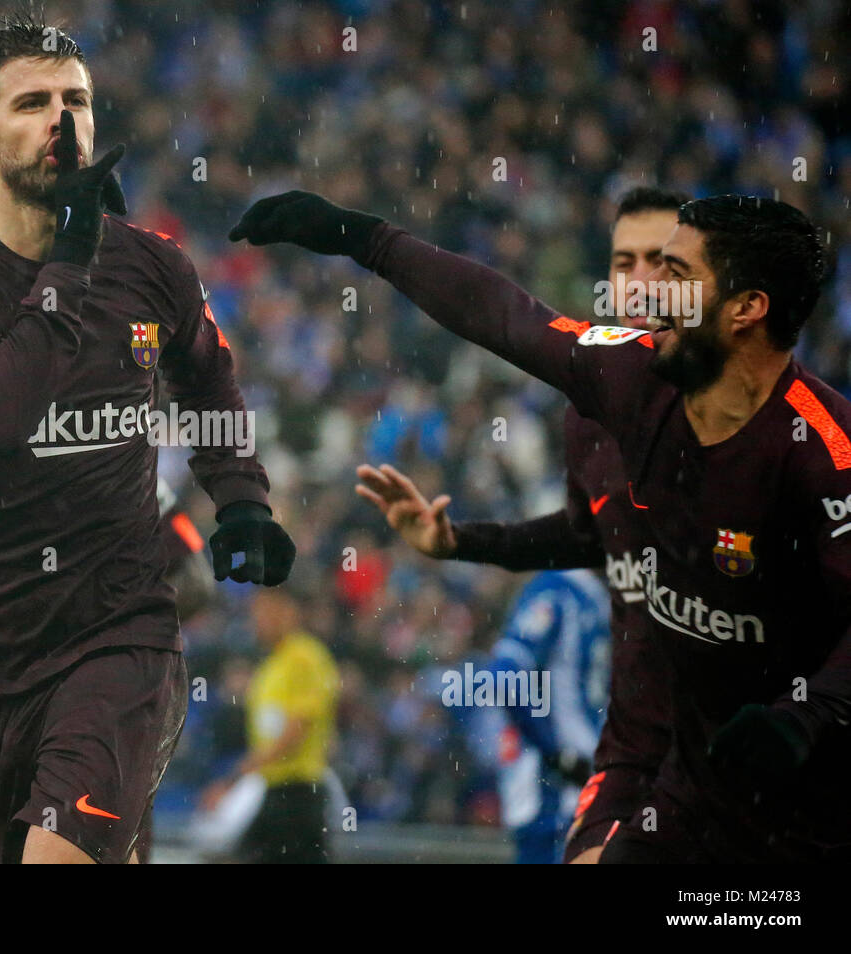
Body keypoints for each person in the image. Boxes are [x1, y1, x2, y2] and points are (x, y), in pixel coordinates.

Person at [231, 189, 849, 862]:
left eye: (675, 275)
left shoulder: (824, 455)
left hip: (816, 803)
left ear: (747, 309)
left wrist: (802, 717)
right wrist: (362, 236)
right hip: (688, 785)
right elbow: (504, 316)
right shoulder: (631, 375)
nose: (646, 294)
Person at [0, 11, 293, 864]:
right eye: (32, 103)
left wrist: (241, 496)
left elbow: (208, 378)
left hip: (118, 633)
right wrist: (70, 259)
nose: (61, 121)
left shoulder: (153, 263)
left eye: (77, 100)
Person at [354, 188, 686, 862]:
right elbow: (584, 535)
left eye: (664, 261)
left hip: (745, 742)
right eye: (625, 261)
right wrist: (460, 542)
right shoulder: (591, 411)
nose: (641, 280)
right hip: (636, 747)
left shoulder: (765, 417)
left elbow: (507, 316)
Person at [0, 477, 213, 864]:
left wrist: (105, 622)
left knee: (85, 842)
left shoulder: (118, 461)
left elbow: (196, 583)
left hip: (94, 695)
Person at [202, 587, 339, 863]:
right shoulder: (272, 664)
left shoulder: (305, 657)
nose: (256, 619)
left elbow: (294, 732)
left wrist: (233, 778)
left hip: (299, 795)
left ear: (287, 612)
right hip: (277, 791)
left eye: (263, 611)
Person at [487, 571, 610, 863]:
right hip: (556, 788)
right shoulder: (557, 592)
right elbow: (504, 677)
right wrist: (557, 754)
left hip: (583, 782)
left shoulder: (595, 595)